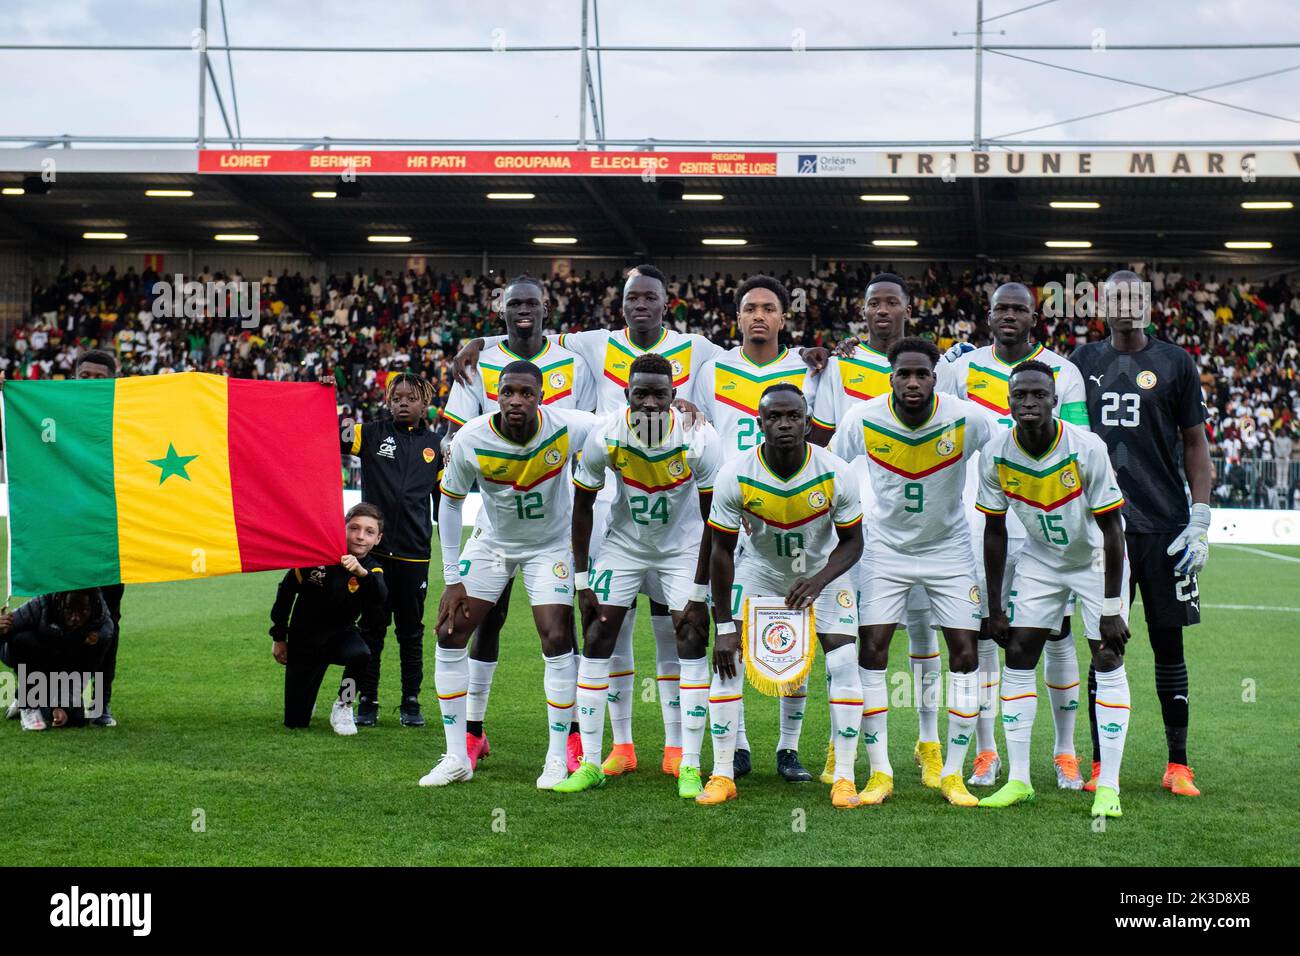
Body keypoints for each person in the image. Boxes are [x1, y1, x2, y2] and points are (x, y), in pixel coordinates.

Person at [939, 282, 1092, 789]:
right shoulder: (959, 368)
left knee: (1057, 633)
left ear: (1034, 317)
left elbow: (1076, 443)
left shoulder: (1063, 372)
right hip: (981, 520)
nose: (1009, 316)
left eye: (1018, 309)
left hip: (1045, 524)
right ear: (987, 316)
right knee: (984, 629)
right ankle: (987, 753)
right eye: (1000, 308)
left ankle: (1064, 751)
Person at [439, 275, 595, 770]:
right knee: (471, 626)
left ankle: (567, 743)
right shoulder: (474, 394)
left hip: (551, 537)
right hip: (493, 532)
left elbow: (611, 422)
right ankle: (467, 741)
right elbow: (449, 478)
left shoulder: (575, 362)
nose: (515, 401)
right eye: (506, 392)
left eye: (526, 393)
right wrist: (450, 578)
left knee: (556, 632)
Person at [832, 337, 994, 807]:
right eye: (904, 373)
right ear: (891, 378)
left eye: (922, 373)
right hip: (885, 549)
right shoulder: (863, 418)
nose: (913, 382)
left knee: (966, 654)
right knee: (874, 650)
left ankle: (953, 774)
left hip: (950, 549)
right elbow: (826, 469)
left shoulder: (968, 418)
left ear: (935, 377)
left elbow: (1009, 448)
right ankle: (880, 772)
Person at [1070, 270, 1214, 798]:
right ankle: (1100, 765)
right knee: (1103, 644)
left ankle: (1178, 765)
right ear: (1101, 304)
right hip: (1101, 527)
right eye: (1116, 297)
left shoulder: (1176, 362)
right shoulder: (1081, 362)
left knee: (1168, 644)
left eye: (1135, 297)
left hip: (1165, 526)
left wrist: (1200, 516)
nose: (1126, 305)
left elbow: (1195, 443)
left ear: (1149, 304)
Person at [556, 353, 722, 797]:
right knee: (597, 634)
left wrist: (700, 590)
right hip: (625, 545)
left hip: (682, 547)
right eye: (641, 393)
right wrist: (582, 580)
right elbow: (582, 506)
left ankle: (689, 763)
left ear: (674, 397)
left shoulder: (699, 437)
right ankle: (592, 762)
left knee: (688, 636)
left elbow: (714, 523)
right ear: (627, 393)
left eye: (659, 394)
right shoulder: (606, 434)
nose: (649, 402)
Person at [976, 361, 1131, 819]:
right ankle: (1019, 780)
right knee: (1019, 652)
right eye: (1020, 394)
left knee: (1106, 655)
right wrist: (996, 606)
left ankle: (1109, 785)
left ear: (1053, 400)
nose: (1028, 402)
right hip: (1042, 559)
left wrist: (1110, 606)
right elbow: (994, 530)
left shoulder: (1086, 448)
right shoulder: (996, 453)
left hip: (1094, 558)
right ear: (1008, 401)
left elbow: (1113, 529)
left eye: (1038, 395)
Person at [701, 383, 866, 808]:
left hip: (819, 575)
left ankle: (844, 777)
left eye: (793, 416)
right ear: (760, 423)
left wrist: (820, 580)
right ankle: (722, 773)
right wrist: (722, 626)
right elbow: (720, 550)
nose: (785, 424)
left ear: (809, 423)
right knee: (728, 658)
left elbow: (852, 543)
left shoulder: (835, 472)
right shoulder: (735, 473)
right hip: (760, 572)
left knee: (845, 660)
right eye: (774, 417)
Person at [812, 274, 947, 789]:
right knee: (855, 641)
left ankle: (928, 742)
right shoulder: (839, 364)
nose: (883, 311)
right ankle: (840, 740)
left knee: (923, 636)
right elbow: (824, 444)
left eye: (893, 303)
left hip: (924, 524)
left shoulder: (936, 367)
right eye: (874, 303)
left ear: (908, 311)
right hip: (858, 532)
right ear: (862, 312)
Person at [693, 274, 824, 782]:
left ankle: (788, 750)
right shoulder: (712, 369)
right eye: (750, 308)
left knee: (792, 637)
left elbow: (823, 434)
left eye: (769, 308)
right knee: (728, 636)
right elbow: (693, 420)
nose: (759, 316)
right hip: (731, 512)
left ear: (783, 318)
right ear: (738, 317)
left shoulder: (808, 367)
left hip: (790, 519)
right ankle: (739, 745)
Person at [336, 371, 441, 728]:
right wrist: (335, 397)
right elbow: (337, 437)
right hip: (373, 556)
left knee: (410, 633)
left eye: (411, 398)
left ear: (425, 404)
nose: (402, 403)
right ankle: (360, 700)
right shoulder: (371, 433)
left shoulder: (437, 448)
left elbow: (447, 501)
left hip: (414, 556)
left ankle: (411, 702)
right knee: (369, 631)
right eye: (396, 398)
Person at [267, 503, 387, 732]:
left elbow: (380, 595)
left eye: (369, 532)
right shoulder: (314, 557)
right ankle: (305, 701)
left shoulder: (371, 568)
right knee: (296, 723)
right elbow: (285, 594)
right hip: (304, 641)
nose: (361, 536)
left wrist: (361, 574)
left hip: (340, 637)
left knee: (361, 655)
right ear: (342, 528)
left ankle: (344, 703)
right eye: (354, 528)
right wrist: (279, 637)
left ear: (378, 539)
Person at [75, 349, 126, 727]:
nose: (91, 381)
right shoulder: (52, 411)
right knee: (56, 617)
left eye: (98, 376)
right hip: (64, 536)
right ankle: (51, 697)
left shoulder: (128, 418)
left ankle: (101, 702)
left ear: (113, 379)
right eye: (85, 376)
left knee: (107, 622)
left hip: (113, 539)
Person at [1, 589, 115, 731]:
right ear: (60, 601)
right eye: (69, 611)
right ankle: (28, 705)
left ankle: (35, 698)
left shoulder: (103, 627)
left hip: (66, 668)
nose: (75, 618)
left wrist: (61, 706)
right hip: (36, 659)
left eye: (82, 611)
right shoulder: (41, 604)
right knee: (23, 639)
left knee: (76, 719)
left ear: (93, 605)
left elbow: (86, 670)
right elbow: (8, 633)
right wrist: (1, 630)